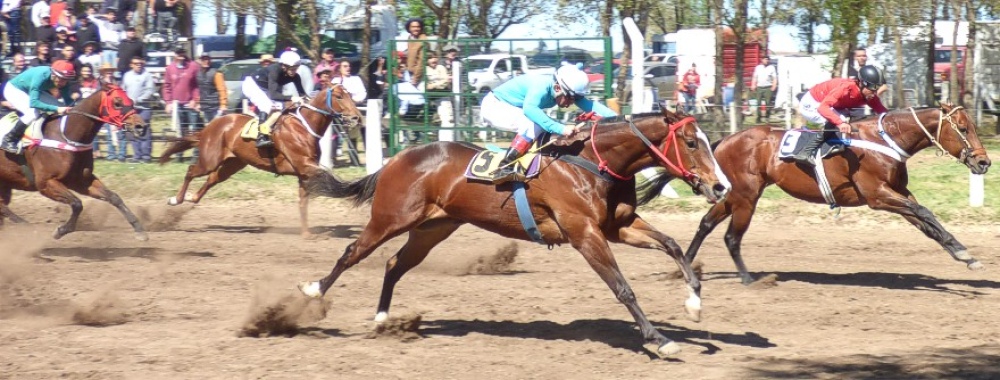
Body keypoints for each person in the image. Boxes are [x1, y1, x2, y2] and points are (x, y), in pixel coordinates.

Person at [481, 64, 618, 183]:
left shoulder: (564, 89)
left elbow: (591, 106)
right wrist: (561, 128)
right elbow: (530, 109)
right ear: (558, 88)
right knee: (534, 124)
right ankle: (505, 167)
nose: (571, 103)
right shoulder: (541, 85)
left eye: (575, 99)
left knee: (540, 126)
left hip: (511, 107)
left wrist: (620, 119)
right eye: (570, 98)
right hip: (494, 106)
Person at [792, 65, 888, 166]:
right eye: (873, 88)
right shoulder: (845, 88)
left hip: (827, 104)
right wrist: (840, 123)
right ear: (862, 83)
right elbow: (822, 108)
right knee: (841, 119)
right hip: (812, 104)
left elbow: (883, 113)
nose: (875, 92)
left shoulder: (868, 94)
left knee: (847, 117)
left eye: (878, 87)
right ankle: (805, 152)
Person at [0, 59, 74, 153]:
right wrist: (57, 109)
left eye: (66, 80)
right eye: (61, 79)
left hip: (31, 90)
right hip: (14, 89)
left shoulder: (64, 82)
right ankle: (8, 139)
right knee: (32, 113)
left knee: (59, 105)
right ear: (53, 74)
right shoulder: (41, 75)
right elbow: (34, 103)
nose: (63, 83)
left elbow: (69, 102)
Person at [241, 49, 307, 148]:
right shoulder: (274, 70)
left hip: (265, 89)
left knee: (280, 109)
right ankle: (261, 136)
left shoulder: (295, 76)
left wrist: (308, 100)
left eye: (296, 68)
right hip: (251, 84)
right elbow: (273, 95)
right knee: (267, 105)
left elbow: (303, 94)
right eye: (292, 68)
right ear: (284, 66)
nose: (294, 71)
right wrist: (292, 98)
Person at [162, 48, 200, 157]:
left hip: (190, 103)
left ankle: (195, 155)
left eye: (183, 53)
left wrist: (195, 99)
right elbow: (167, 86)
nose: (181, 55)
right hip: (176, 104)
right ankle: (179, 155)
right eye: (179, 53)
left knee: (193, 129)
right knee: (179, 130)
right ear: (175, 55)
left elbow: (197, 85)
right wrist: (168, 102)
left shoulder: (193, 66)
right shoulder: (170, 68)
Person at [121, 57, 154, 163]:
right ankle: (137, 155)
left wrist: (138, 100)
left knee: (143, 131)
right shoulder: (127, 76)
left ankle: (145, 156)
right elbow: (123, 90)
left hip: (143, 108)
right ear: (131, 65)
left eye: (140, 63)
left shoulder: (147, 75)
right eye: (136, 63)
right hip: (130, 109)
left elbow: (150, 91)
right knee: (131, 132)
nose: (139, 65)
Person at [195, 53, 226, 125]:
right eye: (204, 59)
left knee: (217, 127)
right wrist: (198, 103)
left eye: (207, 59)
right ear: (200, 61)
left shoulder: (216, 73)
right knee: (208, 128)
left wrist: (223, 105)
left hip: (215, 106)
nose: (206, 61)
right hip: (205, 106)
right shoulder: (198, 74)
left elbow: (222, 90)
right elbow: (200, 90)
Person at [750, 56, 777, 123]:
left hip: (768, 87)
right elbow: (755, 77)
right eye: (765, 59)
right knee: (758, 102)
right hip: (759, 87)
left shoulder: (771, 67)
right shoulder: (758, 68)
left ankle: (767, 117)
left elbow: (775, 78)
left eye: (767, 59)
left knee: (768, 103)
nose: (766, 61)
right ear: (762, 60)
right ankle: (758, 117)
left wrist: (774, 85)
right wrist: (753, 85)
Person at [404, 18, 426, 86]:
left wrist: (416, 78)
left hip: (420, 75)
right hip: (409, 73)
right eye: (413, 27)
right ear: (409, 28)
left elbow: (421, 61)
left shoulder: (423, 40)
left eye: (418, 27)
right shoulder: (410, 38)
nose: (416, 29)